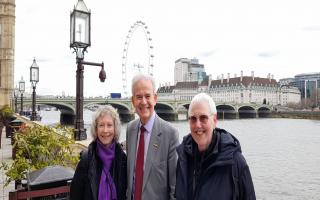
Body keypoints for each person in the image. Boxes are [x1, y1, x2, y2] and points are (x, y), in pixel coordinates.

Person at [175, 93, 256, 200]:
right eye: (193, 118)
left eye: (203, 118)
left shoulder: (236, 163)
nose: (198, 125)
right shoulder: (183, 159)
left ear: (214, 120)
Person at [126, 74, 179, 200]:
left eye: (147, 96)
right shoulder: (130, 129)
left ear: (155, 98)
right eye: (139, 97)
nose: (144, 102)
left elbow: (174, 188)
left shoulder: (170, 134)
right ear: (133, 101)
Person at [70, 105, 127, 200]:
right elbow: (75, 195)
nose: (105, 130)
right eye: (101, 125)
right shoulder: (86, 160)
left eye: (109, 125)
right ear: (96, 129)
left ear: (115, 128)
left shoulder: (123, 160)